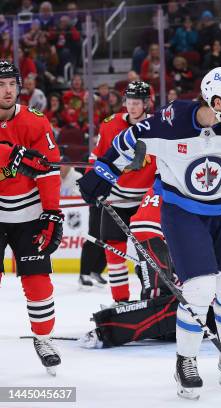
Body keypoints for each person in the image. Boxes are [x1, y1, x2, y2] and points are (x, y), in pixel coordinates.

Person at [76, 67, 221, 399]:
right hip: (182, 210)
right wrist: (103, 173)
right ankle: (186, 361)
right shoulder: (173, 120)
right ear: (217, 101)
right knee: (199, 287)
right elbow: (129, 139)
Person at [0, 60, 63, 375]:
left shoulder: (37, 122)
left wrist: (52, 212)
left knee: (38, 283)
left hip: (29, 213)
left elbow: (49, 171)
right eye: (0, 85)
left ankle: (43, 338)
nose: (7, 90)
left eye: (11, 83)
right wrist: (10, 153)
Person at [87, 81, 156, 301]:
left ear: (146, 103)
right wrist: (96, 185)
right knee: (114, 251)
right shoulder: (109, 125)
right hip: (115, 200)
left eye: (137, 103)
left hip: (146, 202)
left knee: (151, 251)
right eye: (129, 102)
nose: (132, 107)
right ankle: (121, 301)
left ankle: (153, 294)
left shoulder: (159, 127)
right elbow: (96, 159)